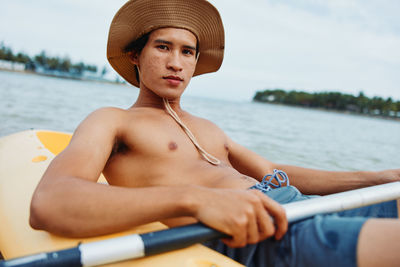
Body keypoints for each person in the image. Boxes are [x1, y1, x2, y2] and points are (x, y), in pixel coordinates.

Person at [29, 0, 400, 266]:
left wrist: (380, 178)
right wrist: (193, 200)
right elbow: (50, 202)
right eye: (163, 47)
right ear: (135, 56)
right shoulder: (113, 121)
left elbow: (272, 171)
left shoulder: (209, 128)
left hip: (296, 203)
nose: (177, 62)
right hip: (257, 231)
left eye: (188, 52)